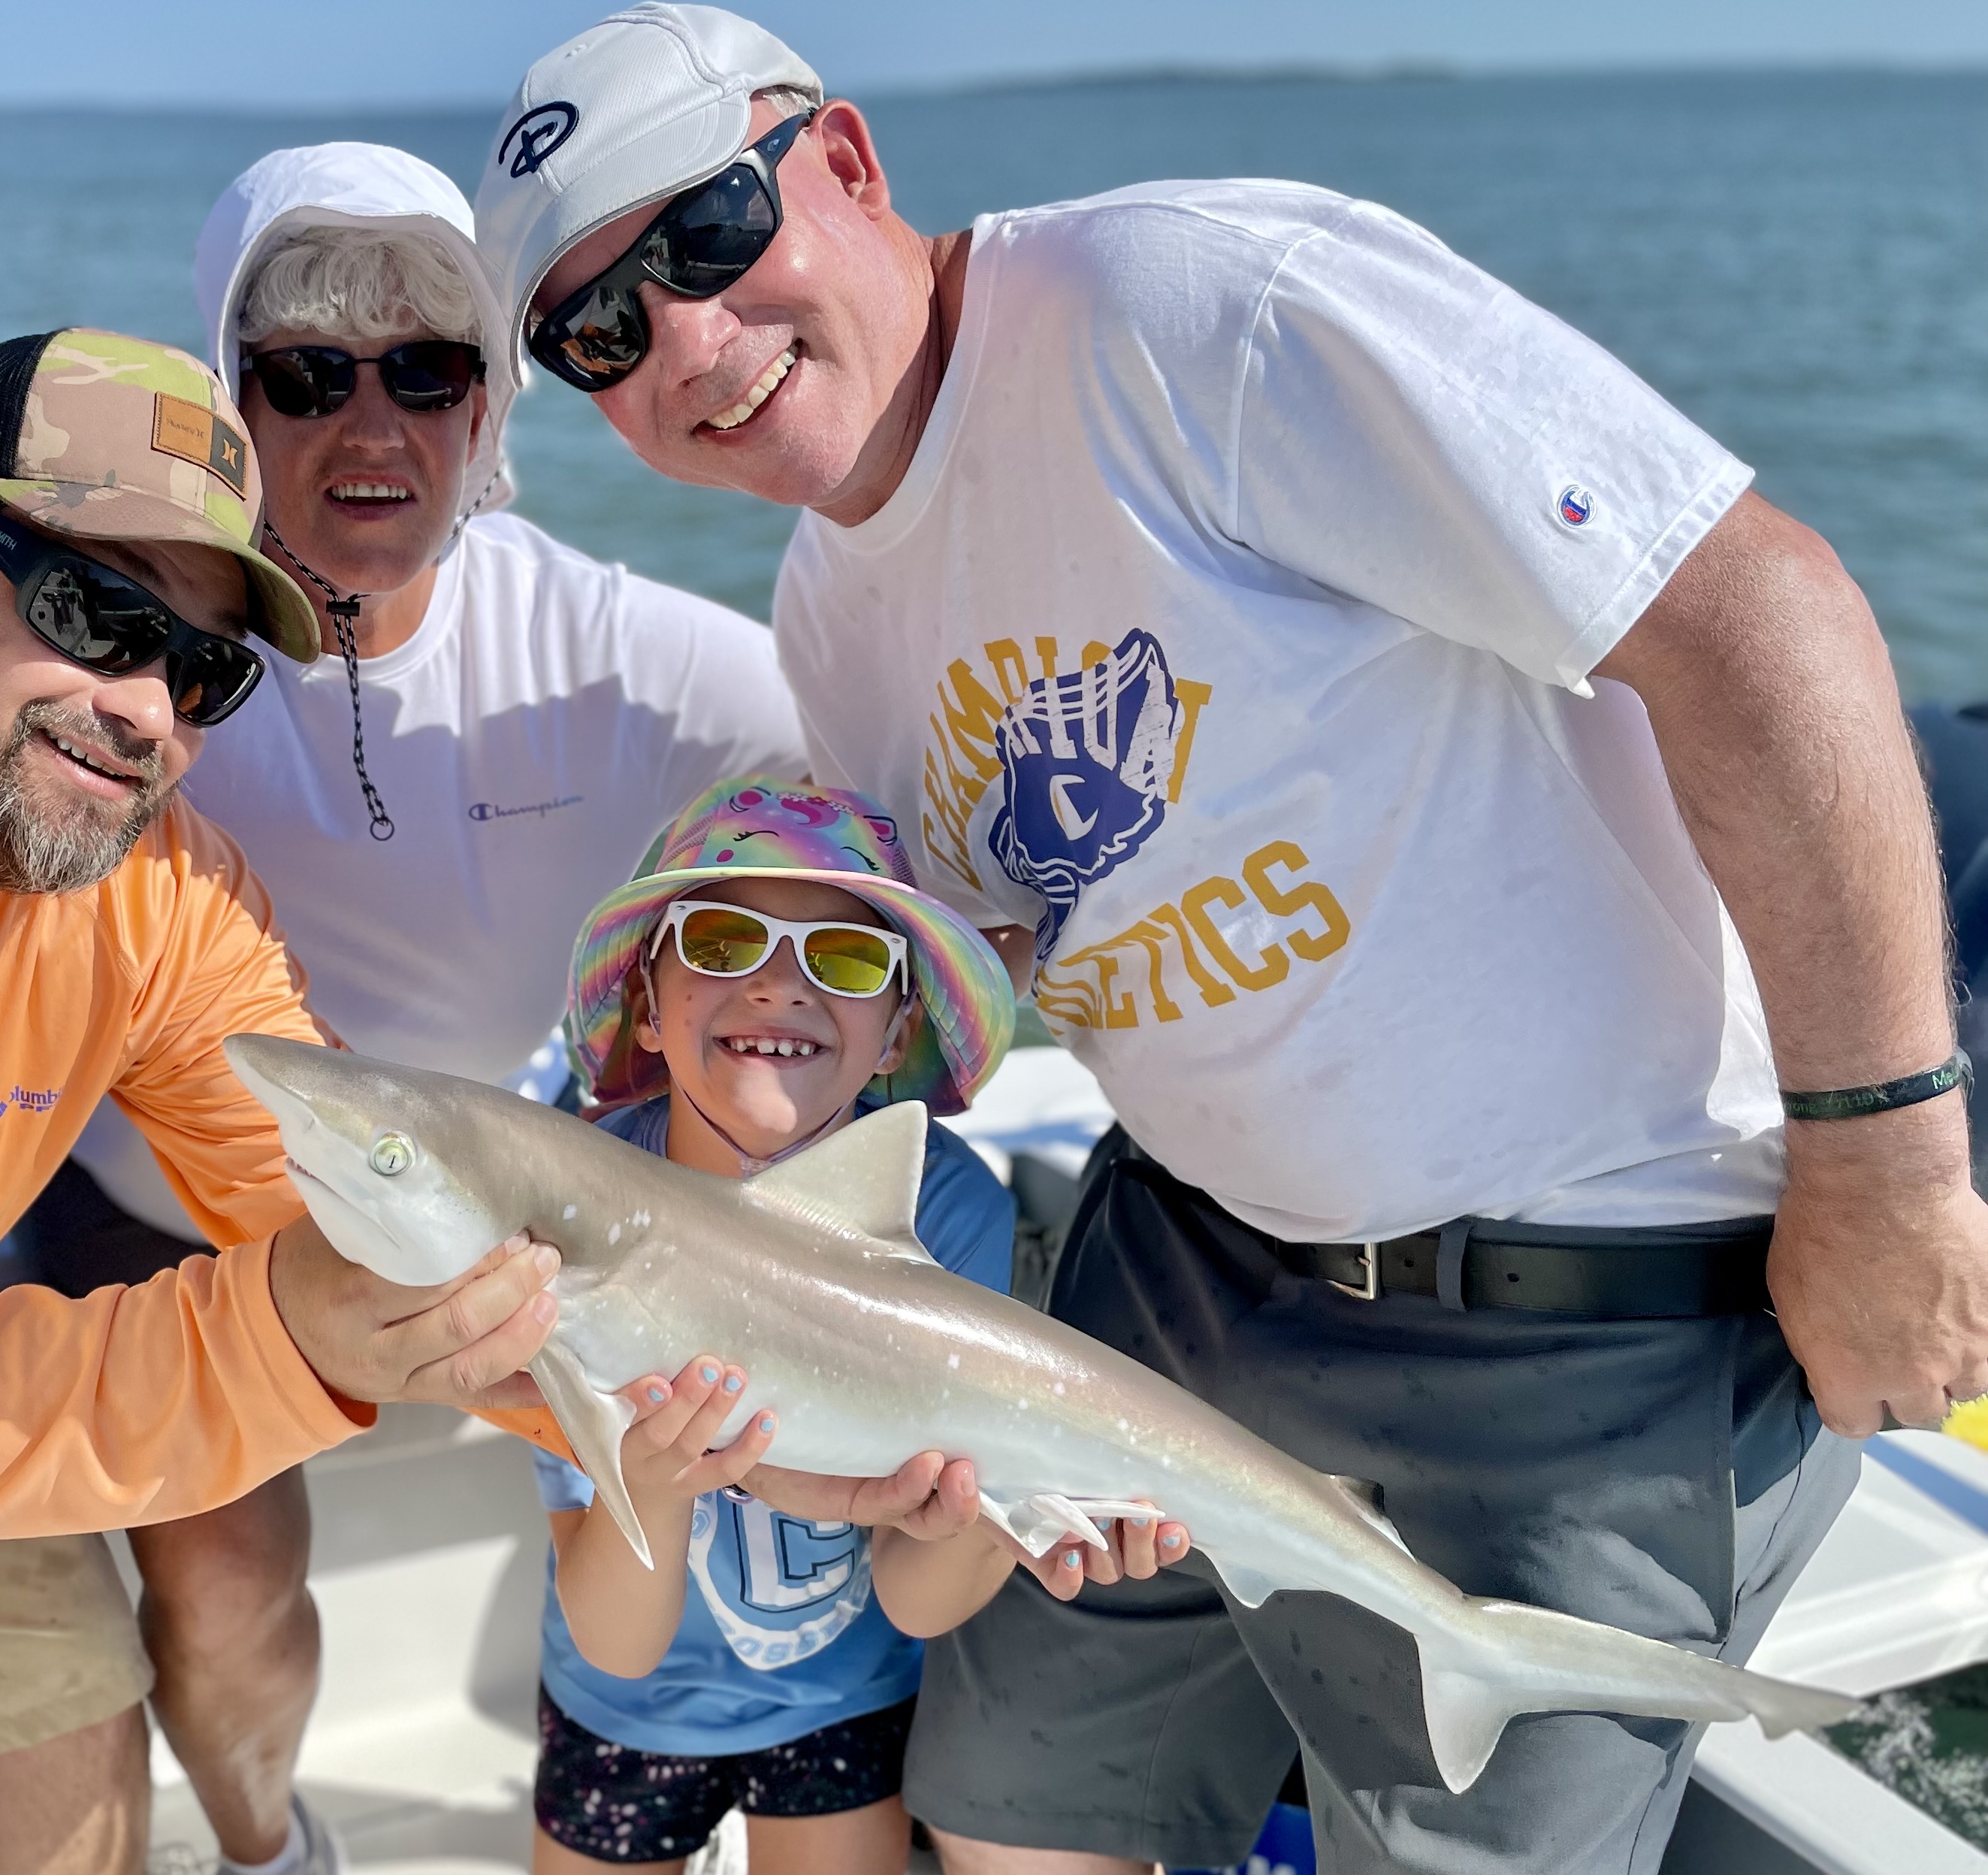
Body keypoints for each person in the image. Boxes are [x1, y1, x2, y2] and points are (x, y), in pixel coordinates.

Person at [463, 8, 1988, 1872]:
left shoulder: (1179, 311)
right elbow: (1018, 975)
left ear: (845, 163)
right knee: (1002, 1819)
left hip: (1588, 1308)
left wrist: (1891, 1158)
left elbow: (1757, 612)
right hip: (1172, 1280)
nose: (687, 340)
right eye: (598, 332)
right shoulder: (826, 626)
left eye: (703, 235)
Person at [0, 144, 805, 1875]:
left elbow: (357, 1211)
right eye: (86, 609)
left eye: (195, 670)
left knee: (68, 1691)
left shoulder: (153, 882)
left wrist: (757, 1424)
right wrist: (282, 1336)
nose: (135, 709)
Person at [529, 776, 1187, 1874]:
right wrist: (647, 1480)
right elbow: (619, 1642)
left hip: (847, 1699)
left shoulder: (946, 1210)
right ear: (647, 1001)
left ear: (895, 1034)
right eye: (725, 940)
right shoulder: (575, 1205)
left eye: (842, 960)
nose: (778, 986)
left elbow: (913, 1597)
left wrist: (1001, 1511)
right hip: (619, 1707)